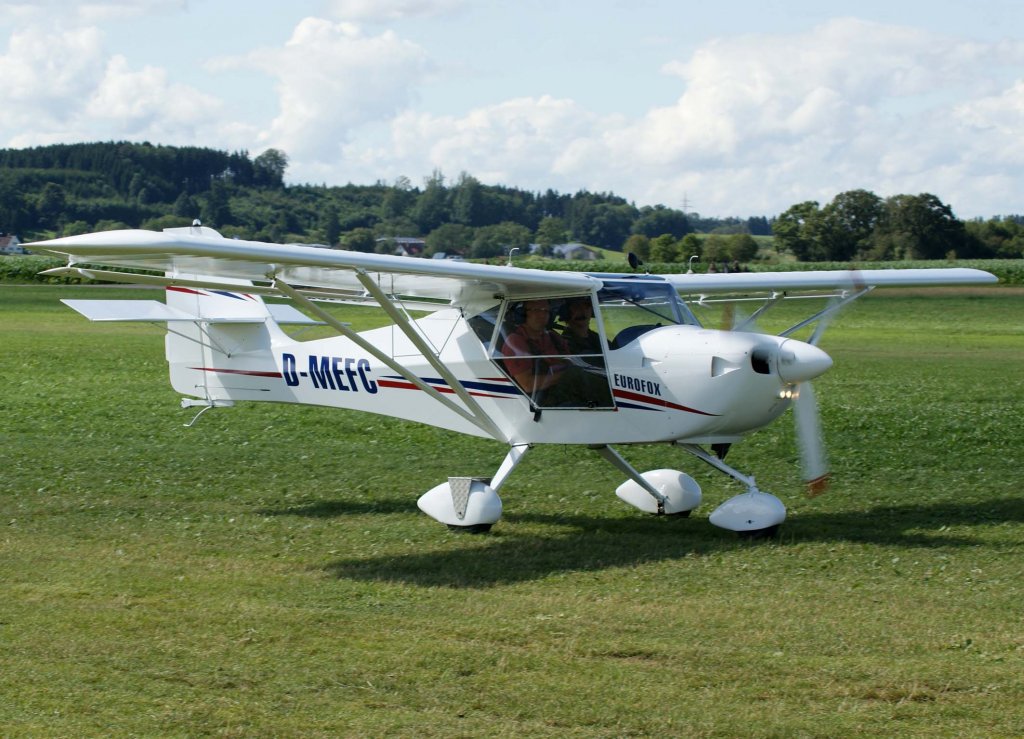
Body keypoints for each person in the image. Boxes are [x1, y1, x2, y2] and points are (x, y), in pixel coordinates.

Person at [500, 300, 570, 398]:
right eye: (536, 310)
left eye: (546, 311)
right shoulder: (515, 342)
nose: (542, 315)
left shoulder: (553, 337)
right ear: (522, 315)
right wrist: (566, 375)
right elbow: (527, 385)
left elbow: (571, 361)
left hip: (565, 391)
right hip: (542, 400)